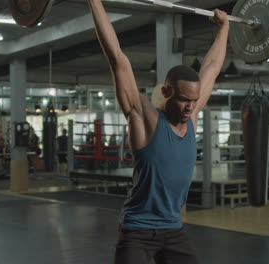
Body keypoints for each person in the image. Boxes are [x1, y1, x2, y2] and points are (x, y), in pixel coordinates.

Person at [87, 0, 229, 263]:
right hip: (137, 231)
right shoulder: (145, 119)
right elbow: (116, 57)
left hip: (174, 231)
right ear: (166, 93)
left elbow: (212, 67)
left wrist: (224, 28)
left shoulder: (193, 115)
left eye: (194, 101)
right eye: (183, 99)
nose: (190, 107)